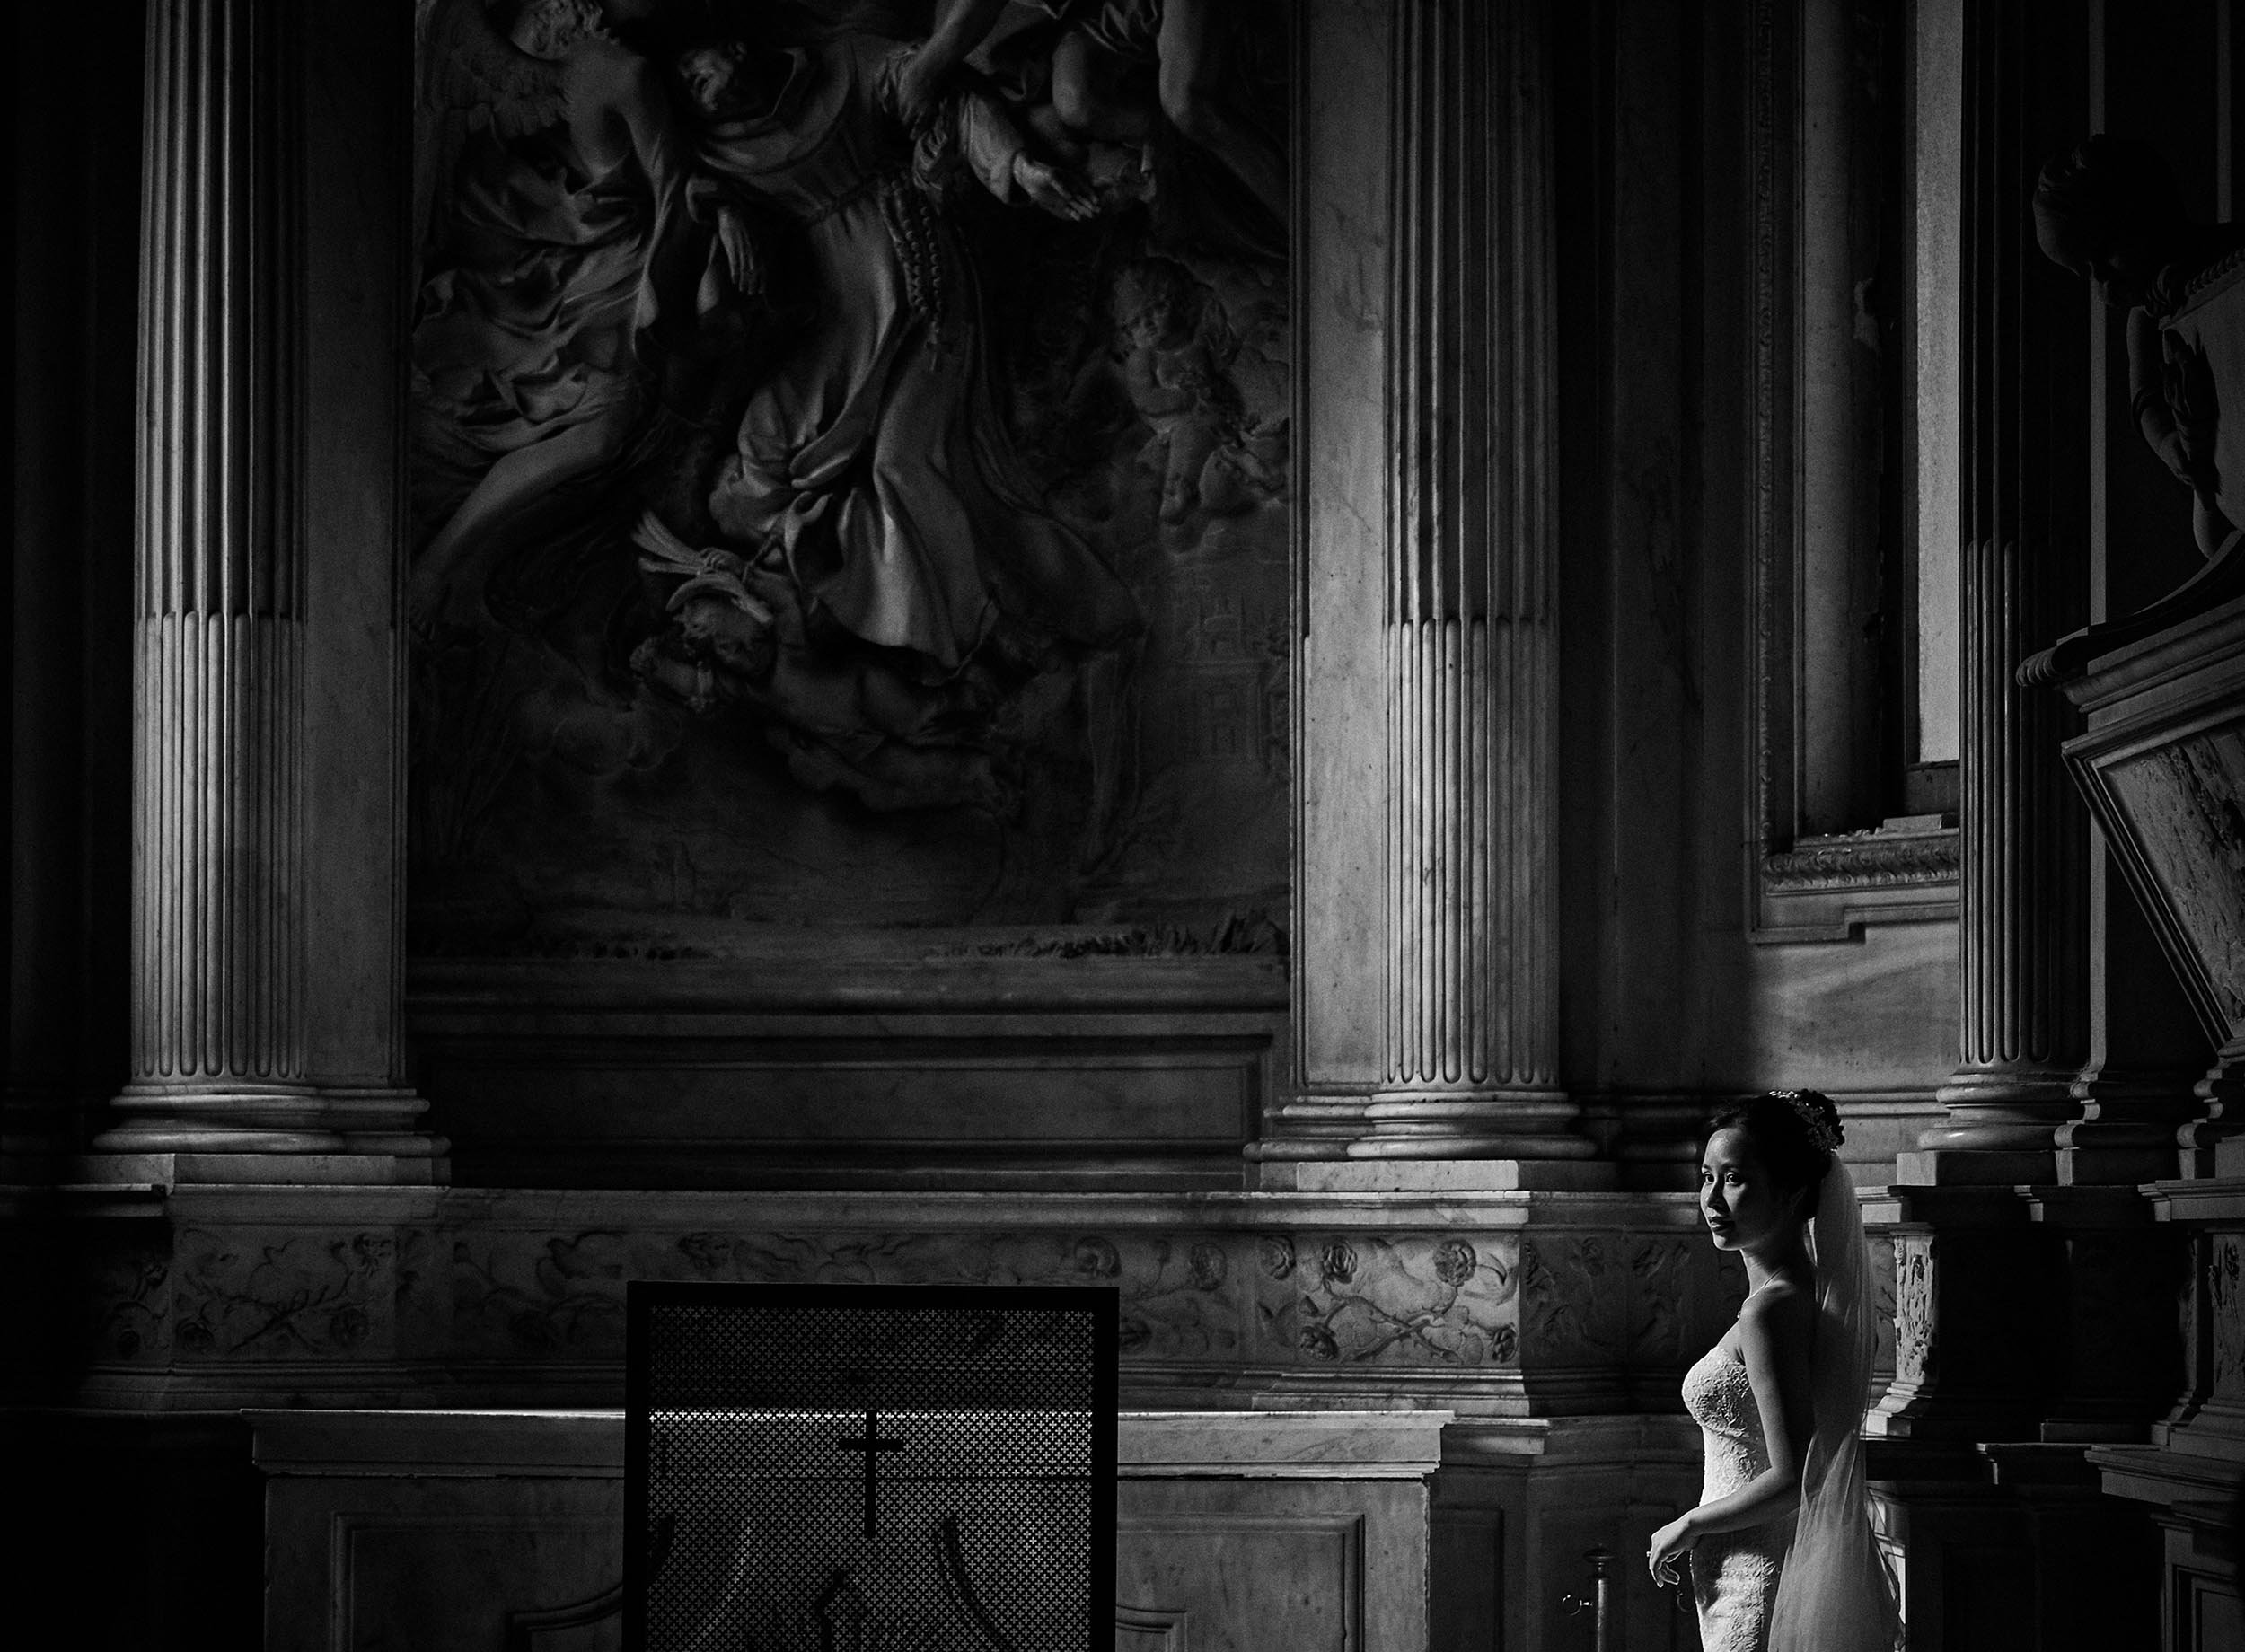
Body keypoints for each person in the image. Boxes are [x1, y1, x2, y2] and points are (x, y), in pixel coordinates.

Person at [669, 31, 1140, 675]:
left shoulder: (847, 64)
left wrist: (1018, 166)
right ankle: (820, 556)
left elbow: (946, 94)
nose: (697, 93)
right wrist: (723, 208)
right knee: (766, 436)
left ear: (737, 41)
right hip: (839, 305)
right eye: (689, 93)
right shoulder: (718, 151)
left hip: (918, 270)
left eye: (696, 71)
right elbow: (684, 193)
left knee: (905, 463)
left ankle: (961, 628)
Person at [1647, 1092, 1902, 1652]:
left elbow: (1794, 1477)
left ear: (1792, 1194)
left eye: (1735, 1178)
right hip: (1752, 1558)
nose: (1712, 1198)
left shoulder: (1771, 1310)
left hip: (1758, 1567)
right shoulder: (1799, 1294)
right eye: (1707, 1176)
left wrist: (1689, 1524)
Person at [2036, 135, 2245, 559]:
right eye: (2086, 273)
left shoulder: (2229, 257)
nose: (2102, 281)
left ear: (2148, 212)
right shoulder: (2144, 320)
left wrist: (2195, 286)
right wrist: (2170, 443)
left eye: (2104, 252)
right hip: (2216, 470)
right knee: (2212, 539)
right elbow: (2144, 398)